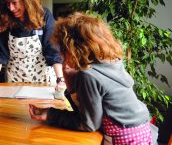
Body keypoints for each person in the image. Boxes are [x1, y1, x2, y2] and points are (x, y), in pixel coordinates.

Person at [29, 12, 158, 144]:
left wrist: (51, 114)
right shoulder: (112, 62)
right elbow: (88, 113)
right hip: (144, 132)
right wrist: (71, 83)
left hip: (125, 138)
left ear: (72, 48)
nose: (60, 54)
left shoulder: (88, 75)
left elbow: (88, 124)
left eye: (61, 48)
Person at [0, 0, 64, 86]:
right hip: (14, 79)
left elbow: (52, 49)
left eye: (14, 3)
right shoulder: (4, 18)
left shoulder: (44, 16)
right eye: (7, 3)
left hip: (43, 79)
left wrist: (60, 79)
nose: (11, 8)